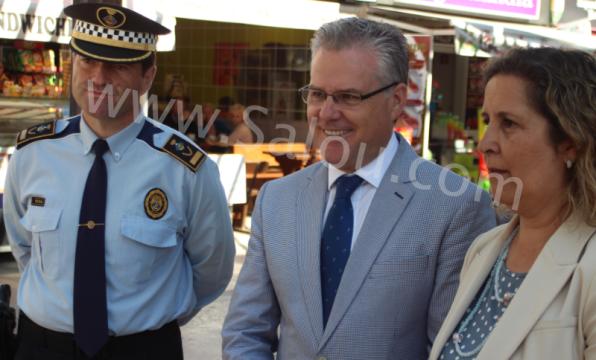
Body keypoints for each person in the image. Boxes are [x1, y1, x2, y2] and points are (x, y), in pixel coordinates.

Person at [222, 18, 496, 359]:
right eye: (318, 94)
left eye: (348, 97)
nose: (326, 113)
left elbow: (451, 350)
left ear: (396, 100)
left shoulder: (457, 207)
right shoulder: (276, 200)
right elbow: (245, 332)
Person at [3, 3, 235, 359]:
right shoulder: (33, 154)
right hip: (44, 347)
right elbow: (23, 248)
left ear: (148, 76)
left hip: (143, 349)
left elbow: (212, 269)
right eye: (87, 62)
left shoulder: (185, 168)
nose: (98, 78)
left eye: (117, 66)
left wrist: (152, 320)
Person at [429, 48, 596, 359]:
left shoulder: (589, 266)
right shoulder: (483, 250)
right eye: (487, 121)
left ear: (570, 143)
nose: (485, 144)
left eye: (508, 124)